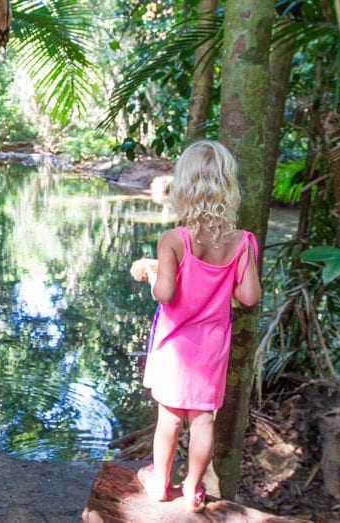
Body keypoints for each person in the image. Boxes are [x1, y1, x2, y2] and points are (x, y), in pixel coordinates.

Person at [129, 140, 261, 512]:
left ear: (183, 188)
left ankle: (161, 481)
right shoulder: (242, 242)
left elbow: (166, 294)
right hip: (212, 347)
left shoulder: (174, 240)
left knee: (169, 419)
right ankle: (192, 488)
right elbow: (249, 296)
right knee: (202, 420)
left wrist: (153, 275)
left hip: (176, 347)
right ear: (227, 189)